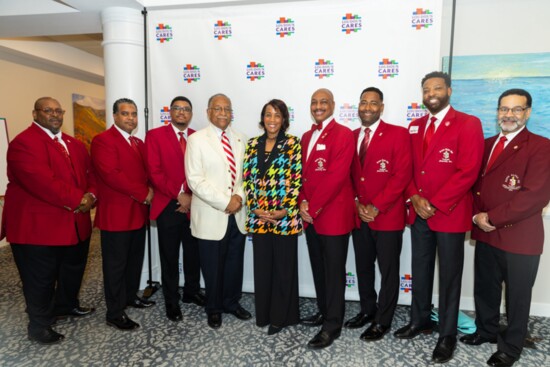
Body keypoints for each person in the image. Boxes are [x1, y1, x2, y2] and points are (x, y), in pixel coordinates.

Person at [394, 71, 484, 363]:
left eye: (436, 88)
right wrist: (414, 198)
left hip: (449, 214)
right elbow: (407, 169)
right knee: (420, 271)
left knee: (449, 277)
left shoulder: (469, 124)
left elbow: (468, 171)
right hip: (419, 213)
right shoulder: (414, 126)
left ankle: (447, 335)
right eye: (425, 89)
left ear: (449, 90)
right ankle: (420, 320)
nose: (430, 93)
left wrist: (434, 202)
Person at [459, 89, 550, 367]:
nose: (509, 115)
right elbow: (471, 187)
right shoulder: (486, 144)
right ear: (497, 111)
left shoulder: (541, 146)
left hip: (519, 237)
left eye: (516, 109)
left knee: (517, 297)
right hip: (485, 232)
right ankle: (486, 331)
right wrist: (476, 216)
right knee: (485, 288)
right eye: (504, 109)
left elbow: (535, 195)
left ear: (528, 112)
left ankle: (511, 347)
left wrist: (491, 217)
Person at [2, 97, 96, 344]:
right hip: (37, 228)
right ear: (35, 114)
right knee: (40, 279)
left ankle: (66, 305)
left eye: (58, 110)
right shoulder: (23, 143)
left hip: (75, 224)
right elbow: (42, 182)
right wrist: (80, 199)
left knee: (71, 271)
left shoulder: (73, 144)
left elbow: (90, 175)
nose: (55, 115)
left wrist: (92, 195)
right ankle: (39, 326)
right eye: (48, 110)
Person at [346, 87, 412, 341]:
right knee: (363, 267)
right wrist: (356, 204)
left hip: (387, 216)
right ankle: (367, 310)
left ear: (381, 107)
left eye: (373, 103)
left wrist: (376, 206)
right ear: (358, 106)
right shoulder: (350, 136)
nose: (368, 107)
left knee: (388, 271)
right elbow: (348, 176)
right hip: (359, 216)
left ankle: (383, 320)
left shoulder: (398, 134)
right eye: (364, 102)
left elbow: (401, 175)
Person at [185, 93, 251, 329]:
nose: (223, 113)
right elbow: (195, 180)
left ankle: (232, 303)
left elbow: (246, 176)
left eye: (227, 109)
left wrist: (238, 198)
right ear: (208, 112)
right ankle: (213, 307)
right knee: (212, 267)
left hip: (238, 214)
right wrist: (225, 202)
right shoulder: (196, 140)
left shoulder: (242, 138)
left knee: (235, 263)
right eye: (218, 108)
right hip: (212, 214)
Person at [91, 98, 155, 331]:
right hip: (117, 215)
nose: (130, 118)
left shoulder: (137, 142)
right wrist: (144, 193)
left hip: (138, 213)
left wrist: (151, 191)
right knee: (115, 266)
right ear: (115, 116)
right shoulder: (103, 141)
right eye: (125, 114)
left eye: (134, 114)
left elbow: (146, 173)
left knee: (133, 262)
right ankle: (114, 312)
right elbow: (112, 174)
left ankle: (129, 297)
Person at [299, 88, 356, 349]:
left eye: (323, 102)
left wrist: (314, 206)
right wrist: (302, 202)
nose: (318, 106)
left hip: (332, 216)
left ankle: (332, 325)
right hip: (311, 216)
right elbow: (302, 175)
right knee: (319, 269)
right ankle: (324, 311)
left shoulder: (344, 134)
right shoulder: (306, 136)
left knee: (334, 274)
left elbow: (336, 175)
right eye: (314, 102)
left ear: (333, 105)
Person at [243, 99, 302, 335]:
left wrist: (284, 209)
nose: (272, 120)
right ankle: (264, 314)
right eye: (268, 115)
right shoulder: (252, 144)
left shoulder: (292, 143)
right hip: (259, 217)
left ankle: (281, 317)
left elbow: (296, 179)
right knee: (263, 267)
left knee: (284, 269)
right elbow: (246, 179)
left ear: (284, 119)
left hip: (284, 217)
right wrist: (255, 208)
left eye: (277, 115)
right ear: (262, 118)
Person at [145, 96, 205, 323]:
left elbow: (202, 171)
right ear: (170, 112)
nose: (181, 112)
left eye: (186, 109)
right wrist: (178, 195)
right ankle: (171, 300)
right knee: (169, 257)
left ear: (191, 113)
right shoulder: (155, 136)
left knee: (193, 254)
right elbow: (154, 171)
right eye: (177, 108)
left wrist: (189, 197)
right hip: (168, 205)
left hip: (194, 205)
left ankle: (191, 291)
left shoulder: (198, 137)